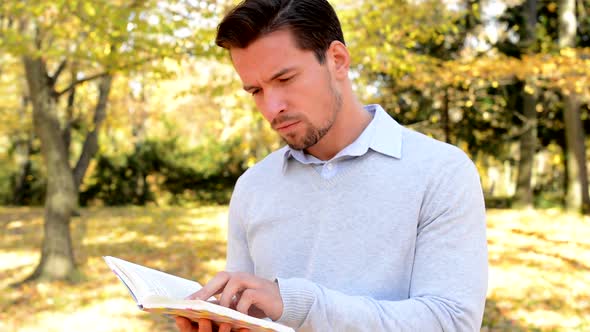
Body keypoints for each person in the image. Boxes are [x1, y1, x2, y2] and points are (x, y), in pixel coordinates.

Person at [175, 0, 488, 331]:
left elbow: (451, 322)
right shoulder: (253, 186)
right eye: (256, 90)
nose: (272, 107)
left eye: (285, 79)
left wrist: (300, 304)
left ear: (337, 60)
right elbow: (252, 314)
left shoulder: (440, 171)